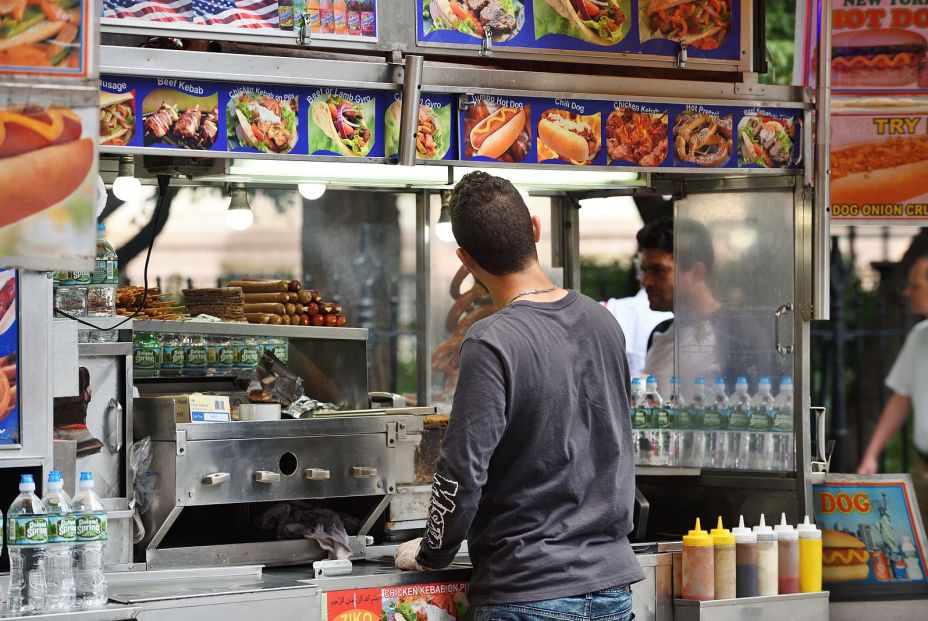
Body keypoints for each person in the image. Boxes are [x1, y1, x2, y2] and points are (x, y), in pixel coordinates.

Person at [394, 171, 643, 619]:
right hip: (612, 588)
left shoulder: (491, 340)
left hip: (528, 591)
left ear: (465, 259)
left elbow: (461, 471)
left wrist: (434, 552)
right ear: (535, 228)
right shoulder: (602, 322)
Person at [639, 217, 773, 392]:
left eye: (659, 271)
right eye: (644, 271)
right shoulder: (660, 333)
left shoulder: (739, 333)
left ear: (696, 273)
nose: (646, 281)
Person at [857, 255, 928, 527]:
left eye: (915, 286)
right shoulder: (919, 337)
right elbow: (902, 397)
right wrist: (871, 454)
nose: (906, 292)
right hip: (923, 469)